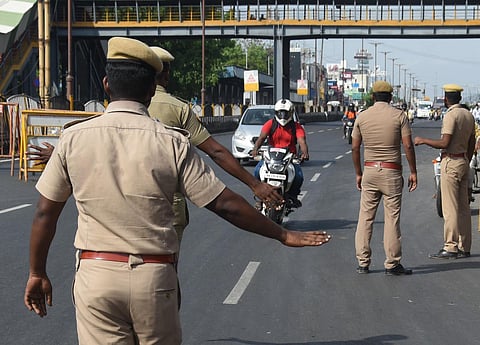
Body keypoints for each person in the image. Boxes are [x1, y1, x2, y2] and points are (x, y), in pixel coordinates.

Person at [23, 37, 331, 345]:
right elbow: (224, 204)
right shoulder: (172, 142)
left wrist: (37, 272)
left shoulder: (73, 139)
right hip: (154, 277)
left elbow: (44, 213)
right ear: (150, 91)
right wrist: (282, 235)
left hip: (96, 275)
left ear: (106, 84)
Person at [27, 45, 282, 244]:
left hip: (108, 225)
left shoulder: (92, 123)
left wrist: (60, 153)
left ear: (109, 84)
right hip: (164, 206)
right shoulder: (178, 111)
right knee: (163, 273)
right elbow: (216, 157)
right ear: (160, 79)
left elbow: (45, 212)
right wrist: (256, 186)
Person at [351, 80, 417, 276]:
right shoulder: (399, 116)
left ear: (372, 97)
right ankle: (392, 263)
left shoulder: (362, 117)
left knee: (365, 217)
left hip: (369, 171)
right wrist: (413, 171)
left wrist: (358, 173)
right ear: (390, 97)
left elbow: (355, 147)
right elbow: (408, 146)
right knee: (392, 219)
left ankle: (363, 262)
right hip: (392, 172)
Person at [414, 84, 475, 259]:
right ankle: (465, 246)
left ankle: (451, 246)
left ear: (446, 99)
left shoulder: (451, 115)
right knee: (463, 207)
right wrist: (467, 159)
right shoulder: (468, 115)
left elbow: (444, 143)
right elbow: (472, 142)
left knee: (450, 208)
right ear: (460, 98)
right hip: (463, 161)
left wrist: (423, 140)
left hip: (451, 161)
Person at [251, 98, 309, 208]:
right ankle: (260, 197)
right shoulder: (270, 124)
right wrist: (255, 149)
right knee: (257, 171)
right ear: (276, 113)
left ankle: (292, 196)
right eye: (280, 113)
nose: (283, 116)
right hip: (271, 156)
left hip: (289, 158)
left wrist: (304, 153)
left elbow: (302, 141)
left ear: (291, 113)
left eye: (285, 113)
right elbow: (261, 138)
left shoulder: (296, 127)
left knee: (298, 176)